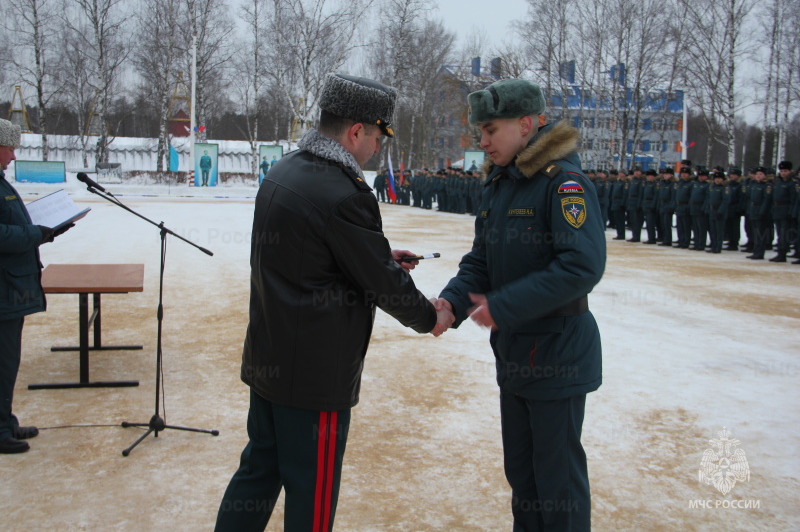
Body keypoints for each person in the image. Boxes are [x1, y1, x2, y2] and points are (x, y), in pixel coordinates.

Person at [214, 74, 454, 532]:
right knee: (313, 493)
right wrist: (431, 316)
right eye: (378, 138)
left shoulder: (286, 170)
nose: (377, 149)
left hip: (271, 360)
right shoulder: (345, 191)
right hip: (313, 378)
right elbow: (381, 283)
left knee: (258, 474)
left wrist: (377, 255)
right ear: (356, 131)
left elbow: (310, 253)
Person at [435, 79, 605, 531]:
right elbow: (481, 261)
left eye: (490, 130)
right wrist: (450, 303)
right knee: (525, 480)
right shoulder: (500, 185)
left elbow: (581, 266)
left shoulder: (563, 183)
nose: (482, 142)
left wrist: (504, 306)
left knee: (558, 484)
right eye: (479, 133)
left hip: (558, 354)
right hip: (515, 356)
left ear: (526, 124)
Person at [0, 118, 71, 454]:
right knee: (2, 360)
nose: (13, 155)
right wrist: (34, 233)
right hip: (3, 289)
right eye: (9, 147)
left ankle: (5, 422)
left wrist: (47, 230)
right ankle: (0, 432)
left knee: (8, 360)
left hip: (11, 287)